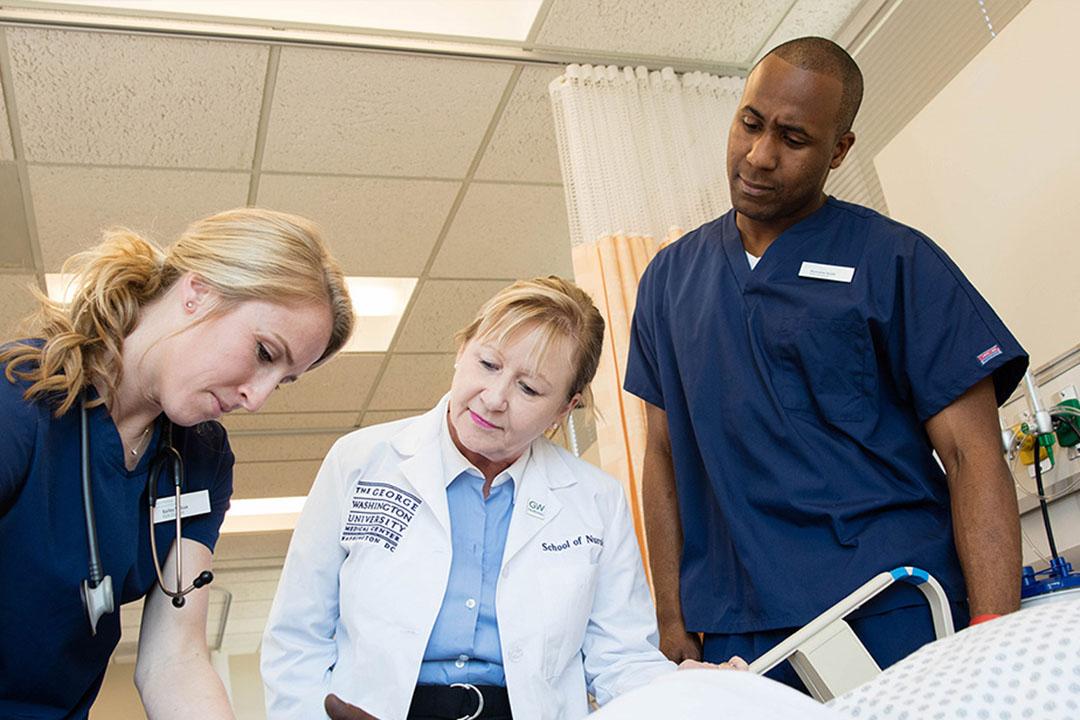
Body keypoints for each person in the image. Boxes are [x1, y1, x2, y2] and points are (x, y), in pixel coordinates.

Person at [624, 36, 1029, 691]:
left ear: (839, 150)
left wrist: (992, 639)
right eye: (750, 124)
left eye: (793, 138)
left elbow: (973, 455)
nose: (759, 156)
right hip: (737, 630)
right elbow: (662, 454)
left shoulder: (895, 260)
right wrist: (672, 617)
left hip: (893, 604)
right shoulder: (669, 281)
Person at [262, 277, 682, 720]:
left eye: (530, 389)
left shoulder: (596, 499)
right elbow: (298, 637)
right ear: (463, 350)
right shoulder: (362, 461)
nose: (495, 398)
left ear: (564, 408)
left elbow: (621, 658)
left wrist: (699, 691)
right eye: (488, 364)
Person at [0, 207, 354, 719]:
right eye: (263, 352)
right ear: (199, 291)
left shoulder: (201, 459)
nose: (257, 398)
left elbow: (175, 660)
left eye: (284, 379)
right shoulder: (19, 402)